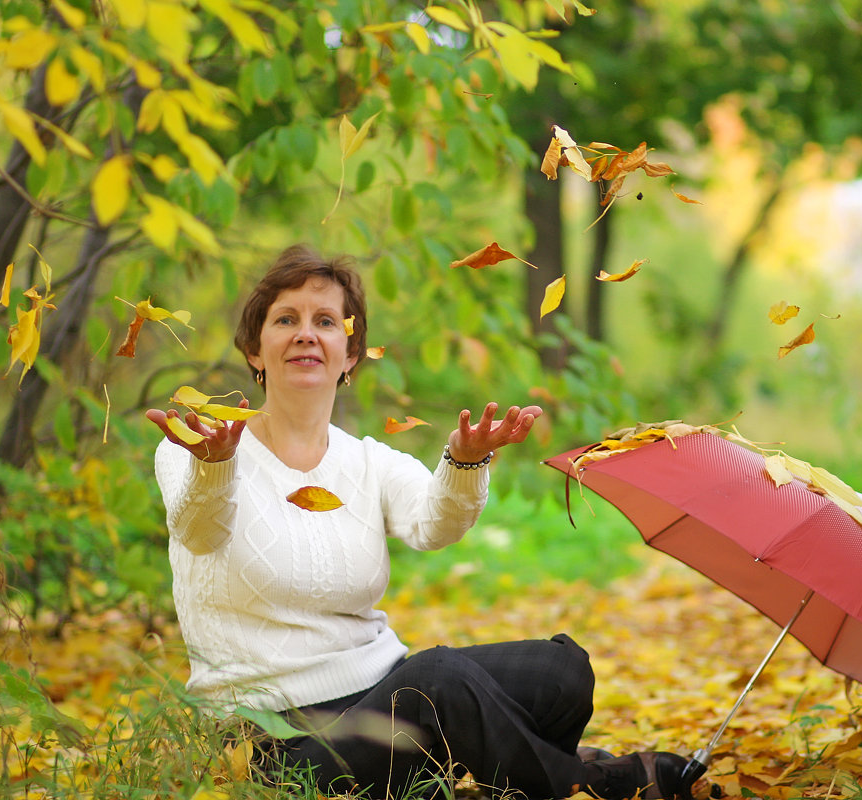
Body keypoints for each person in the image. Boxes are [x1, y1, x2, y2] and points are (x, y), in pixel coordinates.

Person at [146, 244, 693, 800]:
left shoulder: (366, 460)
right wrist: (214, 468)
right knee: (439, 684)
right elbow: (200, 530)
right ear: (254, 350)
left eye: (326, 321)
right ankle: (601, 784)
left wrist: (465, 461)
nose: (306, 334)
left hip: (377, 689)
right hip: (272, 739)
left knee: (562, 673)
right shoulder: (196, 450)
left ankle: (502, 773)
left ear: (350, 354)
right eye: (286, 319)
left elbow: (435, 524)